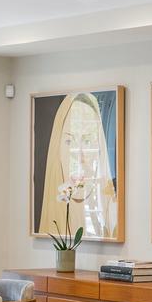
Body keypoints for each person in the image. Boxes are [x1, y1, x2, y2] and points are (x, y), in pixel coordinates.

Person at [35, 91, 119, 239]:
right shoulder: (57, 207)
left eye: (87, 141)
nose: (80, 155)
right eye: (69, 142)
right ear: (57, 147)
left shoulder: (110, 204)